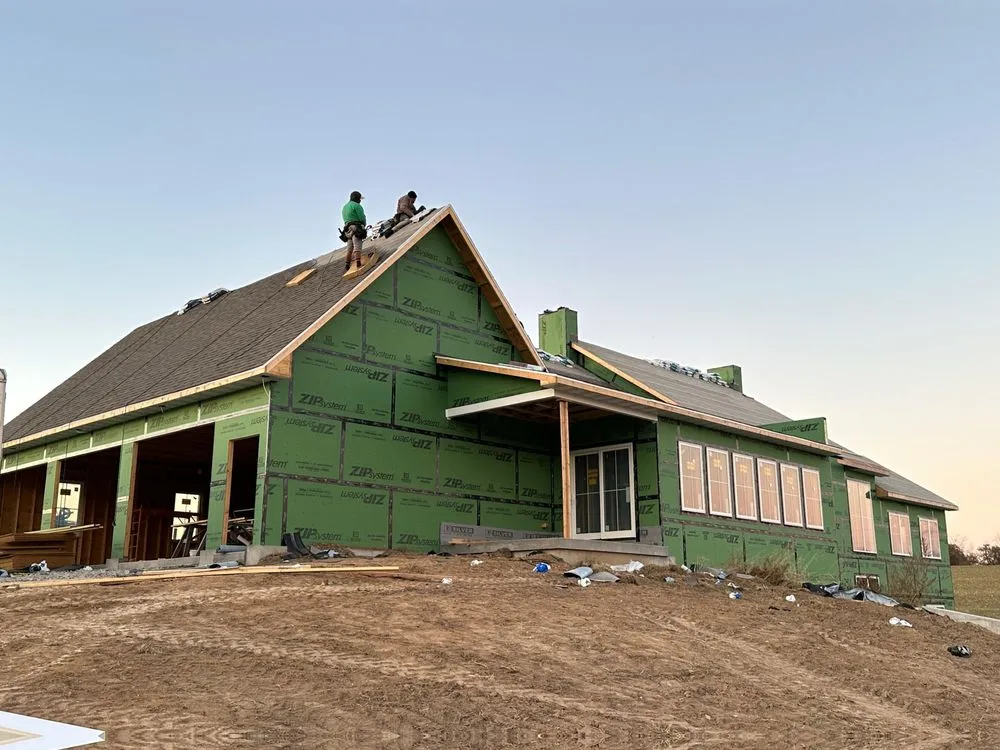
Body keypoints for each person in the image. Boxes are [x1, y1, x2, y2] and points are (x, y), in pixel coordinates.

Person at [341, 191, 368, 270]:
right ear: (357, 198)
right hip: (356, 228)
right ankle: (358, 263)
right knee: (357, 245)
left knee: (350, 247)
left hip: (347, 230)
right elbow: (361, 218)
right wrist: (363, 224)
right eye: (359, 199)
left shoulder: (344, 207)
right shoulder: (357, 206)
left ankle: (347, 264)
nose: (360, 200)